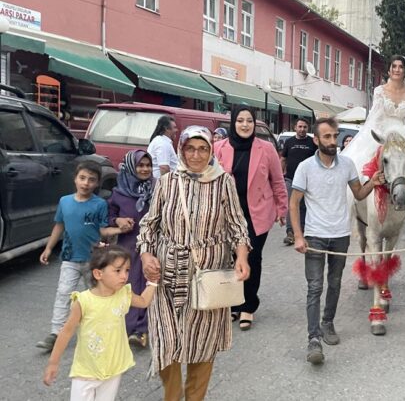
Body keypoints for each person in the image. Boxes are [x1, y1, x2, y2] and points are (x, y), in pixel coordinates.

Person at [138, 126, 251, 400]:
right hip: (166, 274)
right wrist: (145, 255)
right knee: (166, 340)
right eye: (190, 148)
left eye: (202, 148)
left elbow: (237, 226)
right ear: (182, 149)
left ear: (211, 150)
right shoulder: (167, 182)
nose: (196, 155)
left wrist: (242, 257)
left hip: (207, 275)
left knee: (202, 343)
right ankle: (173, 396)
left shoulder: (223, 181)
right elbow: (149, 225)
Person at [290, 117, 383, 365]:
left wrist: (372, 182)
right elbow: (294, 203)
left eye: (335, 136)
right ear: (316, 139)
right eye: (327, 137)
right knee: (315, 287)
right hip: (315, 236)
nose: (333, 141)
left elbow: (359, 194)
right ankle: (313, 339)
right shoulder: (305, 167)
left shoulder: (348, 165)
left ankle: (328, 323)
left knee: (335, 283)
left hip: (340, 235)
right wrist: (298, 235)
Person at [43, 245, 157, 400]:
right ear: (98, 273)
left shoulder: (124, 294)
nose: (124, 276)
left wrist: (152, 283)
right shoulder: (84, 301)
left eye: (127, 270)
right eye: (118, 270)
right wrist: (53, 362)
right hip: (86, 370)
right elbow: (66, 331)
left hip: (113, 367)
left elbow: (143, 301)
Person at [214, 105, 288, 331]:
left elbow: (277, 180)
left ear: (254, 123)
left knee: (252, 259)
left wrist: (281, 208)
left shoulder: (265, 148)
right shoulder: (218, 147)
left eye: (249, 120)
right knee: (230, 258)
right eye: (240, 121)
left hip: (257, 214)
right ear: (233, 123)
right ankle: (233, 304)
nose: (245, 125)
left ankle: (248, 305)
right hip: (227, 215)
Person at [36, 161, 123, 351]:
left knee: (95, 297)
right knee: (63, 294)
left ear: (97, 183)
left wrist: (118, 229)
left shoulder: (100, 204)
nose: (86, 183)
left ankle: (100, 332)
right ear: (75, 179)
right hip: (69, 257)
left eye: (91, 180)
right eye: (82, 178)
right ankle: (56, 333)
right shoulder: (64, 202)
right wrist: (48, 248)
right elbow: (59, 225)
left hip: (94, 260)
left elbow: (102, 230)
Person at [341, 54, 405, 220]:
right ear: (390, 70)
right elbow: (375, 117)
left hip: (403, 134)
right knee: (358, 162)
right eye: (394, 66)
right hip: (382, 132)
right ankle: (359, 205)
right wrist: (385, 137)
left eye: (401, 67)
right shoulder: (380, 91)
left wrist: (404, 137)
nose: (397, 70)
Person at [107, 150, 155, 347]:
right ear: (130, 167)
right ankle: (127, 326)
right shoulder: (119, 193)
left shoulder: (157, 189)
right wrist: (118, 221)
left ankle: (142, 329)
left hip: (152, 245)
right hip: (127, 245)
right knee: (129, 285)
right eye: (140, 165)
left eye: (147, 165)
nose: (144, 169)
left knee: (149, 283)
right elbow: (107, 216)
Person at [281, 118, 316, 245]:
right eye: (300, 126)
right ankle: (290, 232)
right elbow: (283, 159)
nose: (302, 129)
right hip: (291, 179)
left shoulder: (312, 143)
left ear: (308, 128)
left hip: (308, 181)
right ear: (295, 127)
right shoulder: (289, 142)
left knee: (304, 207)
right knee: (291, 205)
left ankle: (300, 231)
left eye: (305, 127)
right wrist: (281, 175)